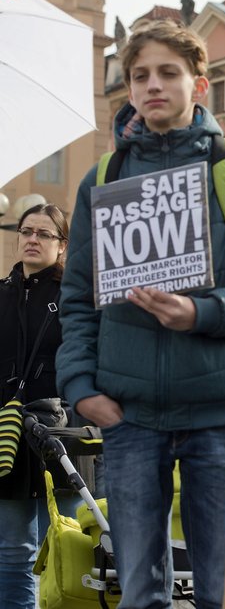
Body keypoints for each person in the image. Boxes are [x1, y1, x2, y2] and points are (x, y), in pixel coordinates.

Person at [57, 20, 225, 609]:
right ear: (130, 89)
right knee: (139, 591)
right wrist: (81, 386)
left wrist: (202, 313)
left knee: (222, 588)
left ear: (200, 85)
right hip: (128, 416)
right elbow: (79, 297)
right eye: (141, 76)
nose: (153, 85)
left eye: (168, 73)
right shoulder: (102, 180)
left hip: (219, 414)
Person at [0, 204, 69, 608]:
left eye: (44, 234)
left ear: (61, 246)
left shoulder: (76, 295)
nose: (32, 239)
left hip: (61, 431)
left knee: (69, 544)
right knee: (11, 553)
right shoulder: (2, 292)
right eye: (27, 231)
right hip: (8, 433)